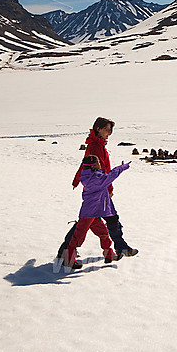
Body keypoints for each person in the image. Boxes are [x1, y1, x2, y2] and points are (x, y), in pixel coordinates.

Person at [55, 117, 138, 269]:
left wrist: (79, 180)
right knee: (93, 223)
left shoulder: (99, 145)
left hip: (101, 187)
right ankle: (118, 247)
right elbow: (91, 166)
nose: (109, 133)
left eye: (111, 130)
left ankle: (113, 250)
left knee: (94, 223)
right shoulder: (95, 146)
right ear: (98, 129)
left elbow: (96, 168)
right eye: (107, 130)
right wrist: (107, 185)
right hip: (100, 188)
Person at [54, 155, 130, 273]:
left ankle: (109, 254)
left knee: (103, 233)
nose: (100, 164)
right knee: (77, 237)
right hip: (88, 213)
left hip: (94, 212)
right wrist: (123, 167)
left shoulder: (88, 176)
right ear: (94, 165)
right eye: (98, 162)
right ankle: (68, 260)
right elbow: (112, 175)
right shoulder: (96, 179)